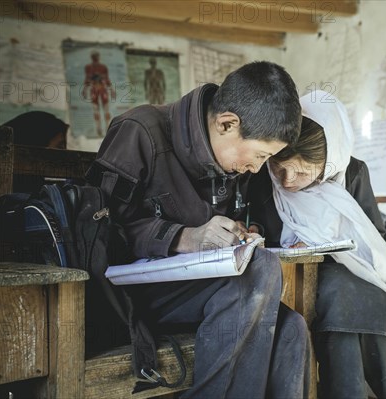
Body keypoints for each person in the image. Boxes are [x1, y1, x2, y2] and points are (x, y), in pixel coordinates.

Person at [85, 61, 310, 398]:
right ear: (227, 123)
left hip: (208, 294)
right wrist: (183, 238)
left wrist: (245, 231)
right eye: (261, 156)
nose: (257, 168)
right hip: (130, 298)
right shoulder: (140, 131)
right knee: (263, 267)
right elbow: (98, 235)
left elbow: (250, 217)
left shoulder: (235, 158)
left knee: (293, 328)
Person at [248, 91, 386, 398]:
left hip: (354, 271)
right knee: (343, 306)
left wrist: (324, 242)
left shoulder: (352, 172)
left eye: (301, 171)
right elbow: (253, 227)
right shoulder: (259, 174)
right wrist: (257, 232)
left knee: (377, 305)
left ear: (329, 161)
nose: (287, 181)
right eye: (280, 168)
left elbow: (372, 236)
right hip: (291, 278)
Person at [82, 50, 115, 137]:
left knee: (105, 110)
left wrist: (111, 90)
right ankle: (99, 129)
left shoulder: (102, 67)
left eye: (96, 57)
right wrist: (85, 89)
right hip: (95, 90)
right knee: (97, 110)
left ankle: (107, 128)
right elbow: (87, 79)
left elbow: (107, 79)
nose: (95, 59)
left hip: (101, 89)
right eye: (94, 57)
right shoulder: (89, 67)